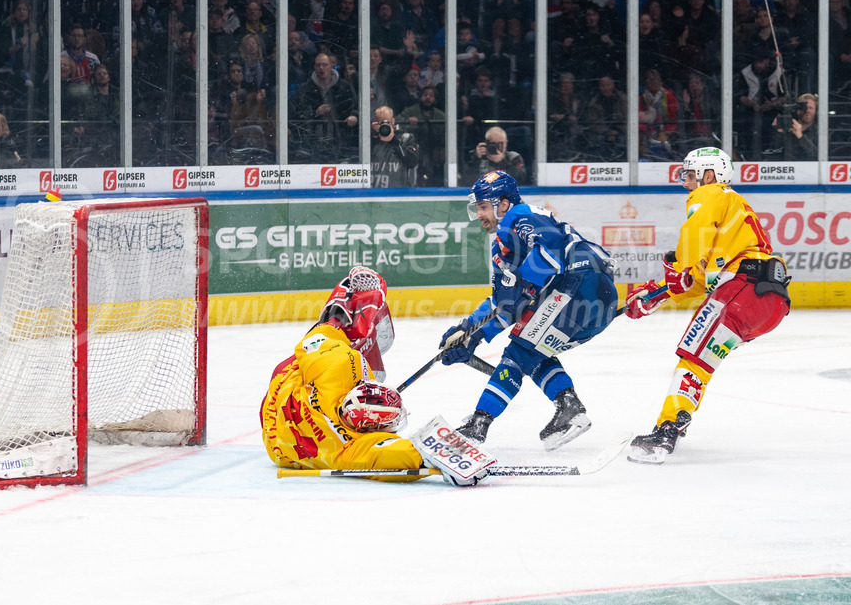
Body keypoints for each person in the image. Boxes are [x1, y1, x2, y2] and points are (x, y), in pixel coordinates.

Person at [624, 148, 791, 464]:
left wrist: (678, 269)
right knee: (702, 361)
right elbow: (698, 282)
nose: (686, 184)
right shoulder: (734, 211)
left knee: (692, 357)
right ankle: (681, 415)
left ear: (709, 175)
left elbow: (694, 234)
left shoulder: (711, 193)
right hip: (768, 302)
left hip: (743, 288)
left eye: (690, 175)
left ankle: (666, 430)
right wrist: (656, 296)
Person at [261, 266, 492, 486]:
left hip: (279, 400)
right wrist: (446, 460)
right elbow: (392, 454)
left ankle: (341, 310)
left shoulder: (340, 367)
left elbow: (311, 343)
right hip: (275, 441)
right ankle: (345, 315)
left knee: (335, 341)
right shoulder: (349, 449)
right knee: (340, 348)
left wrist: (334, 324)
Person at [440, 171, 618, 449]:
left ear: (503, 203)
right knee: (531, 352)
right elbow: (506, 305)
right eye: (477, 209)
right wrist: (470, 332)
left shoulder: (519, 216)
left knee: (517, 354)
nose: (480, 215)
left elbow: (551, 247)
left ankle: (478, 425)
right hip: (596, 301)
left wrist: (523, 279)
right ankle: (568, 406)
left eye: (484, 206)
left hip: (579, 283)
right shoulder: (502, 248)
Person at [370, 105, 419, 188]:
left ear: (393, 121)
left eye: (386, 122)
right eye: (380, 123)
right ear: (375, 123)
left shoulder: (405, 138)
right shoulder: (368, 140)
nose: (384, 126)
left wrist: (394, 140)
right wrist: (373, 136)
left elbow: (412, 162)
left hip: (397, 193)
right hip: (373, 193)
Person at [771, 92, 818, 161]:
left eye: (810, 108)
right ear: (797, 110)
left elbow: (818, 156)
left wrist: (801, 137)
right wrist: (778, 133)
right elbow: (774, 152)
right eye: (804, 108)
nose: (807, 111)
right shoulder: (789, 127)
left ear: (816, 111)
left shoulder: (820, 131)